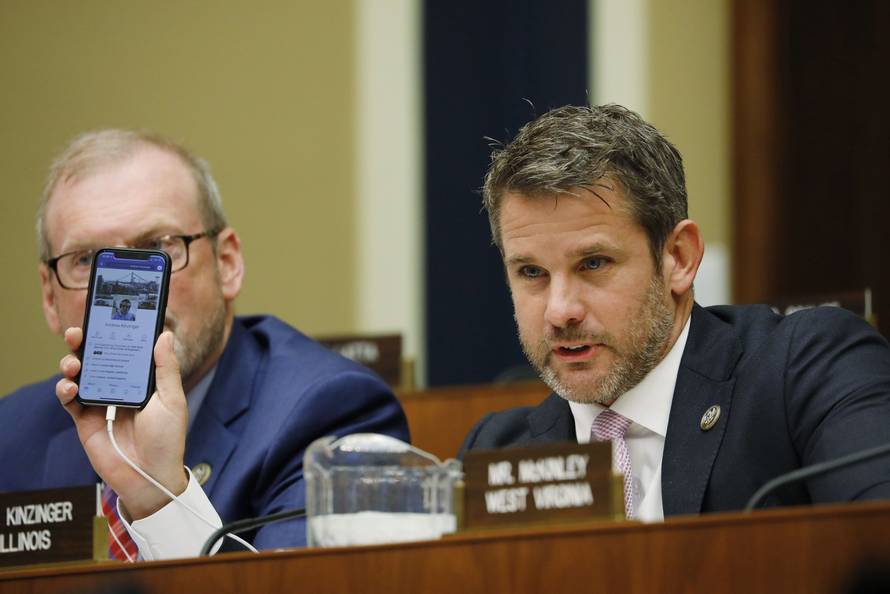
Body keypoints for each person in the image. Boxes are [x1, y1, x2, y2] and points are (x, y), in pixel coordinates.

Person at [460, 104, 890, 519]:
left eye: (593, 264)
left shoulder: (805, 371)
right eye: (532, 272)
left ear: (679, 259)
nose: (560, 311)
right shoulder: (497, 455)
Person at [0, 129, 409, 559]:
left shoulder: (330, 413)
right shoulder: (11, 434)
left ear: (227, 264)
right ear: (49, 297)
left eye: (158, 246)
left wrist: (159, 499)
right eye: (86, 260)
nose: (129, 291)